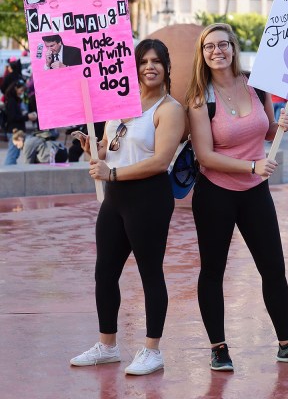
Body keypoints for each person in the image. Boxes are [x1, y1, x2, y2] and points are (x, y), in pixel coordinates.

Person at [185, 23, 288, 371]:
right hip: (216, 193)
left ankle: (287, 344)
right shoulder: (202, 97)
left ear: (234, 47)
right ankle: (218, 348)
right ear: (203, 54)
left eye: (223, 44)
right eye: (209, 46)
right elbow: (205, 156)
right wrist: (251, 166)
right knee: (213, 271)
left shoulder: (256, 85)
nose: (217, 51)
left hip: (255, 192)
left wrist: (282, 124)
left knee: (274, 268)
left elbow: (267, 129)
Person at [70, 39, 185, 375]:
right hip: (115, 198)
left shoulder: (169, 109)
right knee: (105, 272)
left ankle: (152, 350)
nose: (149, 67)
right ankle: (107, 345)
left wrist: (112, 171)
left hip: (148, 197)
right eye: (143, 61)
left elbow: (161, 161)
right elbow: (111, 147)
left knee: (150, 273)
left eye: (156, 61)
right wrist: (95, 148)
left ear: (166, 67)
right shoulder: (121, 102)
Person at [3, 79, 37, 165]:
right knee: (13, 154)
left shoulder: (15, 100)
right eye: (21, 90)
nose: (22, 92)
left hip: (17, 131)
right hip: (15, 131)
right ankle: (8, 172)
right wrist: (27, 117)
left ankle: (9, 171)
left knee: (15, 153)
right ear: (15, 89)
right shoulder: (12, 101)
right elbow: (12, 117)